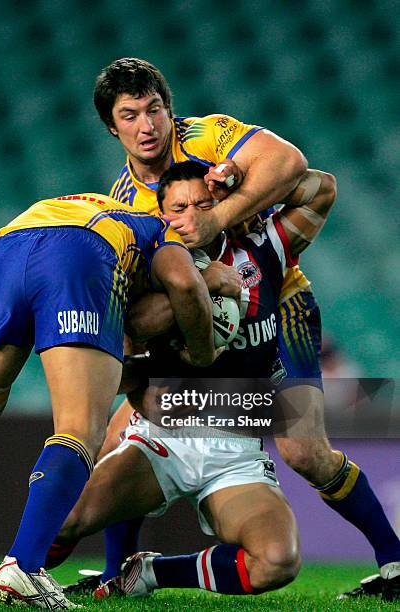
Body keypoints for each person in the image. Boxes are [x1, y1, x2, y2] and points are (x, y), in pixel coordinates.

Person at [83, 57, 400, 600]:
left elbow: (297, 167)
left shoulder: (207, 138)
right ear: (112, 127)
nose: (147, 126)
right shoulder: (120, 202)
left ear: (170, 109)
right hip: (202, 326)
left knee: (303, 451)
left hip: (277, 309)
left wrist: (220, 213)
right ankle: (121, 575)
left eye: (155, 109)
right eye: (130, 115)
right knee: (117, 434)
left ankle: (394, 561)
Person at [38, 160, 337, 599]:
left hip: (236, 453)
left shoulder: (263, 250)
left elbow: (321, 189)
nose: (191, 214)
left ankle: (149, 573)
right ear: (163, 216)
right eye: (179, 207)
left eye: (202, 203)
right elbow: (116, 374)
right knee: (59, 524)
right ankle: (5, 580)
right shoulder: (145, 273)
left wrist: (240, 184)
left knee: (277, 562)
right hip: (162, 441)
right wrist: (195, 288)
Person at [0, 191, 220, 609]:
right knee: (80, 428)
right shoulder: (161, 232)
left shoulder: (101, 208)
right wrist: (203, 350)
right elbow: (185, 283)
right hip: (78, 251)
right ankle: (22, 567)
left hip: (9, 245)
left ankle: (22, 567)